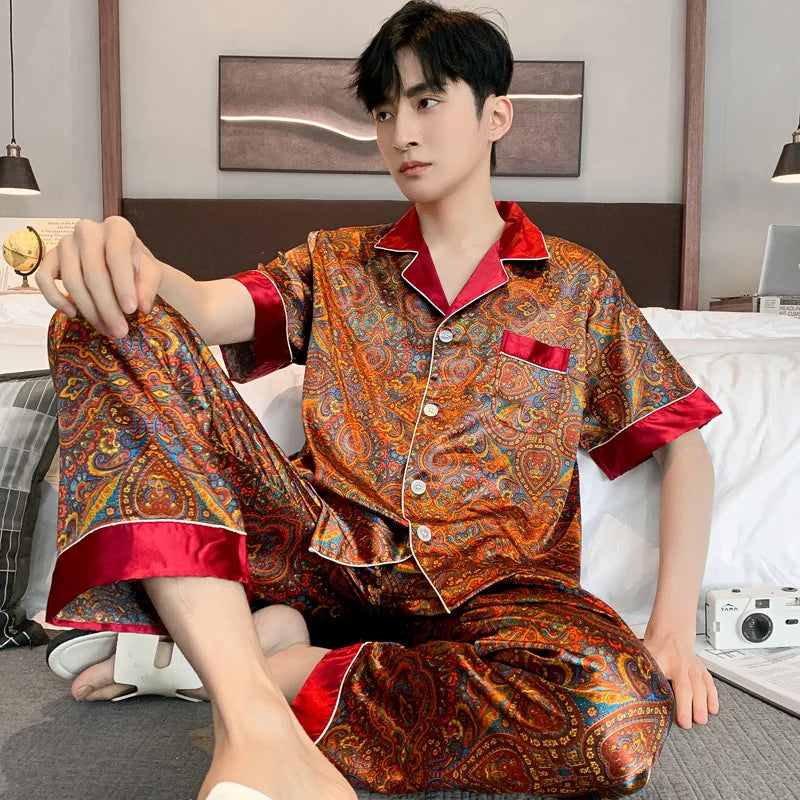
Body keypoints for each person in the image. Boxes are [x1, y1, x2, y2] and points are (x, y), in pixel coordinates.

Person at [38, 2, 722, 799]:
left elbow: (683, 446)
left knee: (615, 719)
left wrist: (672, 626)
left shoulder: (579, 286)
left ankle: (274, 666)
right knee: (102, 324)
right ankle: (252, 714)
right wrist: (132, 263)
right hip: (317, 556)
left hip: (496, 591)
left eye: (427, 101)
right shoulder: (336, 262)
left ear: (496, 115)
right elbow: (205, 306)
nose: (403, 133)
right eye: (386, 111)